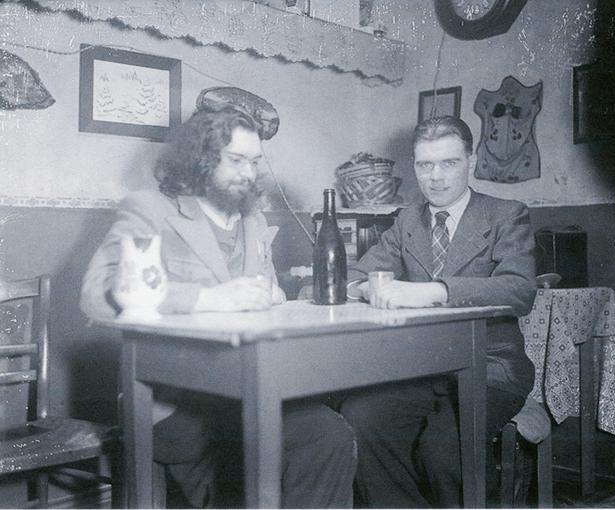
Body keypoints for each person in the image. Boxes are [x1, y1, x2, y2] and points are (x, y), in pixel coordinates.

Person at [80, 101, 356, 508]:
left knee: (328, 433)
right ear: (201, 158)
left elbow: (258, 292)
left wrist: (271, 294)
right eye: (236, 160)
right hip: (169, 400)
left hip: (247, 391)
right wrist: (207, 299)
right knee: (247, 470)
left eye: (255, 162)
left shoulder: (253, 220)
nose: (248, 173)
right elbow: (95, 294)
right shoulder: (151, 209)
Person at [340, 116, 536, 508]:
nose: (436, 177)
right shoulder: (407, 219)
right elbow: (354, 277)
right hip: (421, 369)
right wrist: (372, 288)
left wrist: (432, 291)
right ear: (414, 166)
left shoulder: (506, 214)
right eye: (424, 164)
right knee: (361, 421)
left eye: (449, 163)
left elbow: (520, 290)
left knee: (443, 449)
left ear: (471, 161)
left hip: (490, 368)